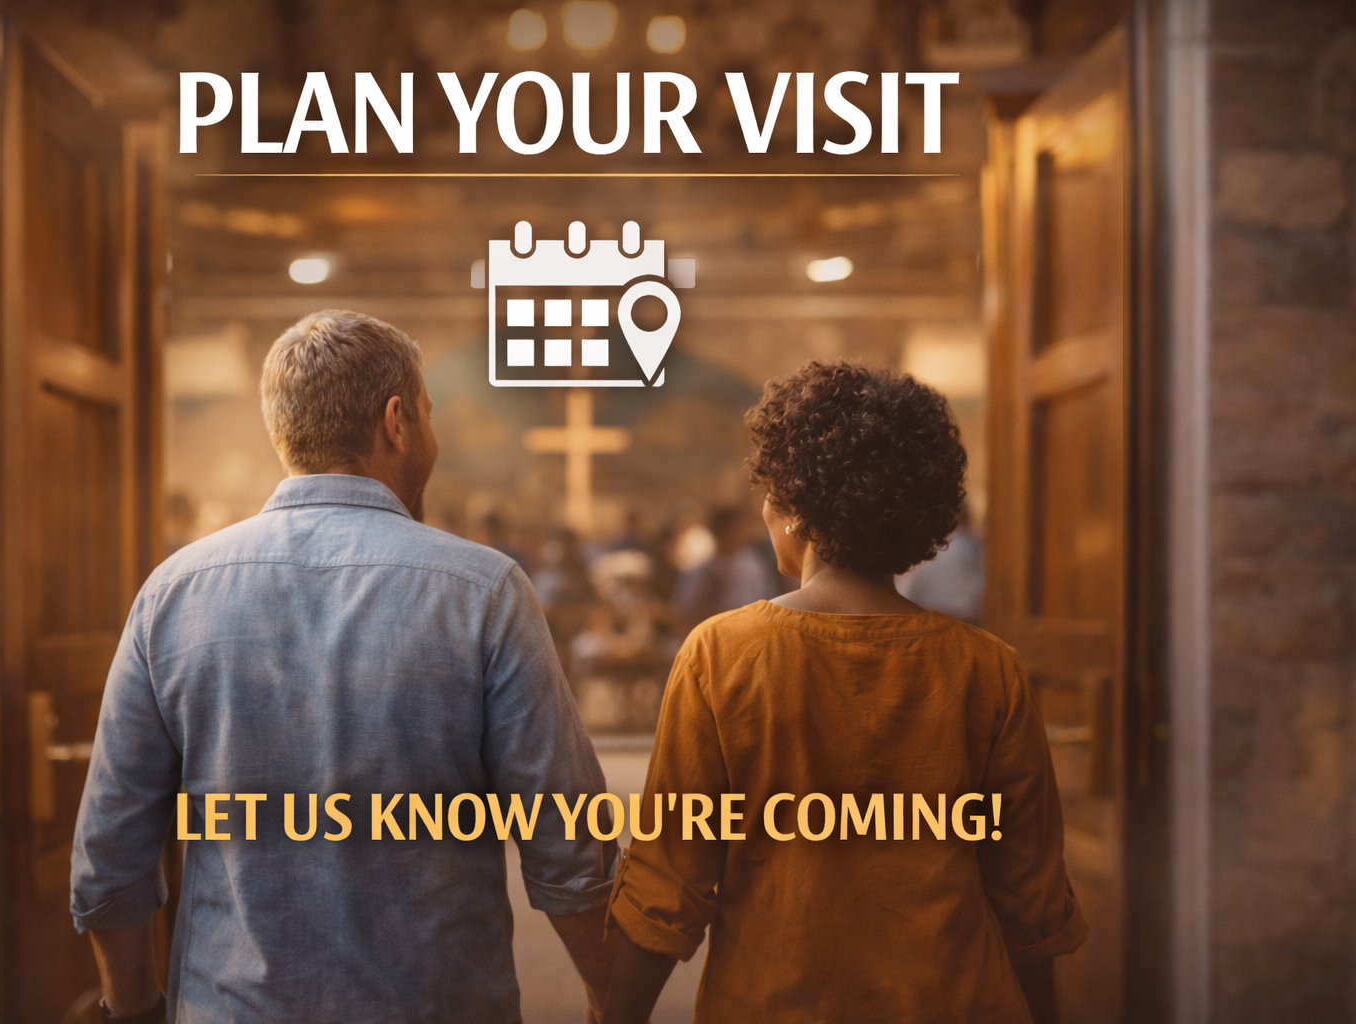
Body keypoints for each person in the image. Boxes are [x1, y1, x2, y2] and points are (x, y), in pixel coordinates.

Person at [71, 310, 618, 1023]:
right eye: (427, 415)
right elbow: (567, 844)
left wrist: (136, 1009)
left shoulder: (174, 594)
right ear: (396, 421)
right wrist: (615, 1001)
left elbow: (110, 854)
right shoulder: (483, 592)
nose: (433, 437)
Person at [602, 361, 1086, 1024]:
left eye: (769, 491)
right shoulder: (988, 672)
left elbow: (669, 883)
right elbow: (1028, 901)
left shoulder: (721, 656)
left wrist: (614, 1013)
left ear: (796, 506)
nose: (765, 508)